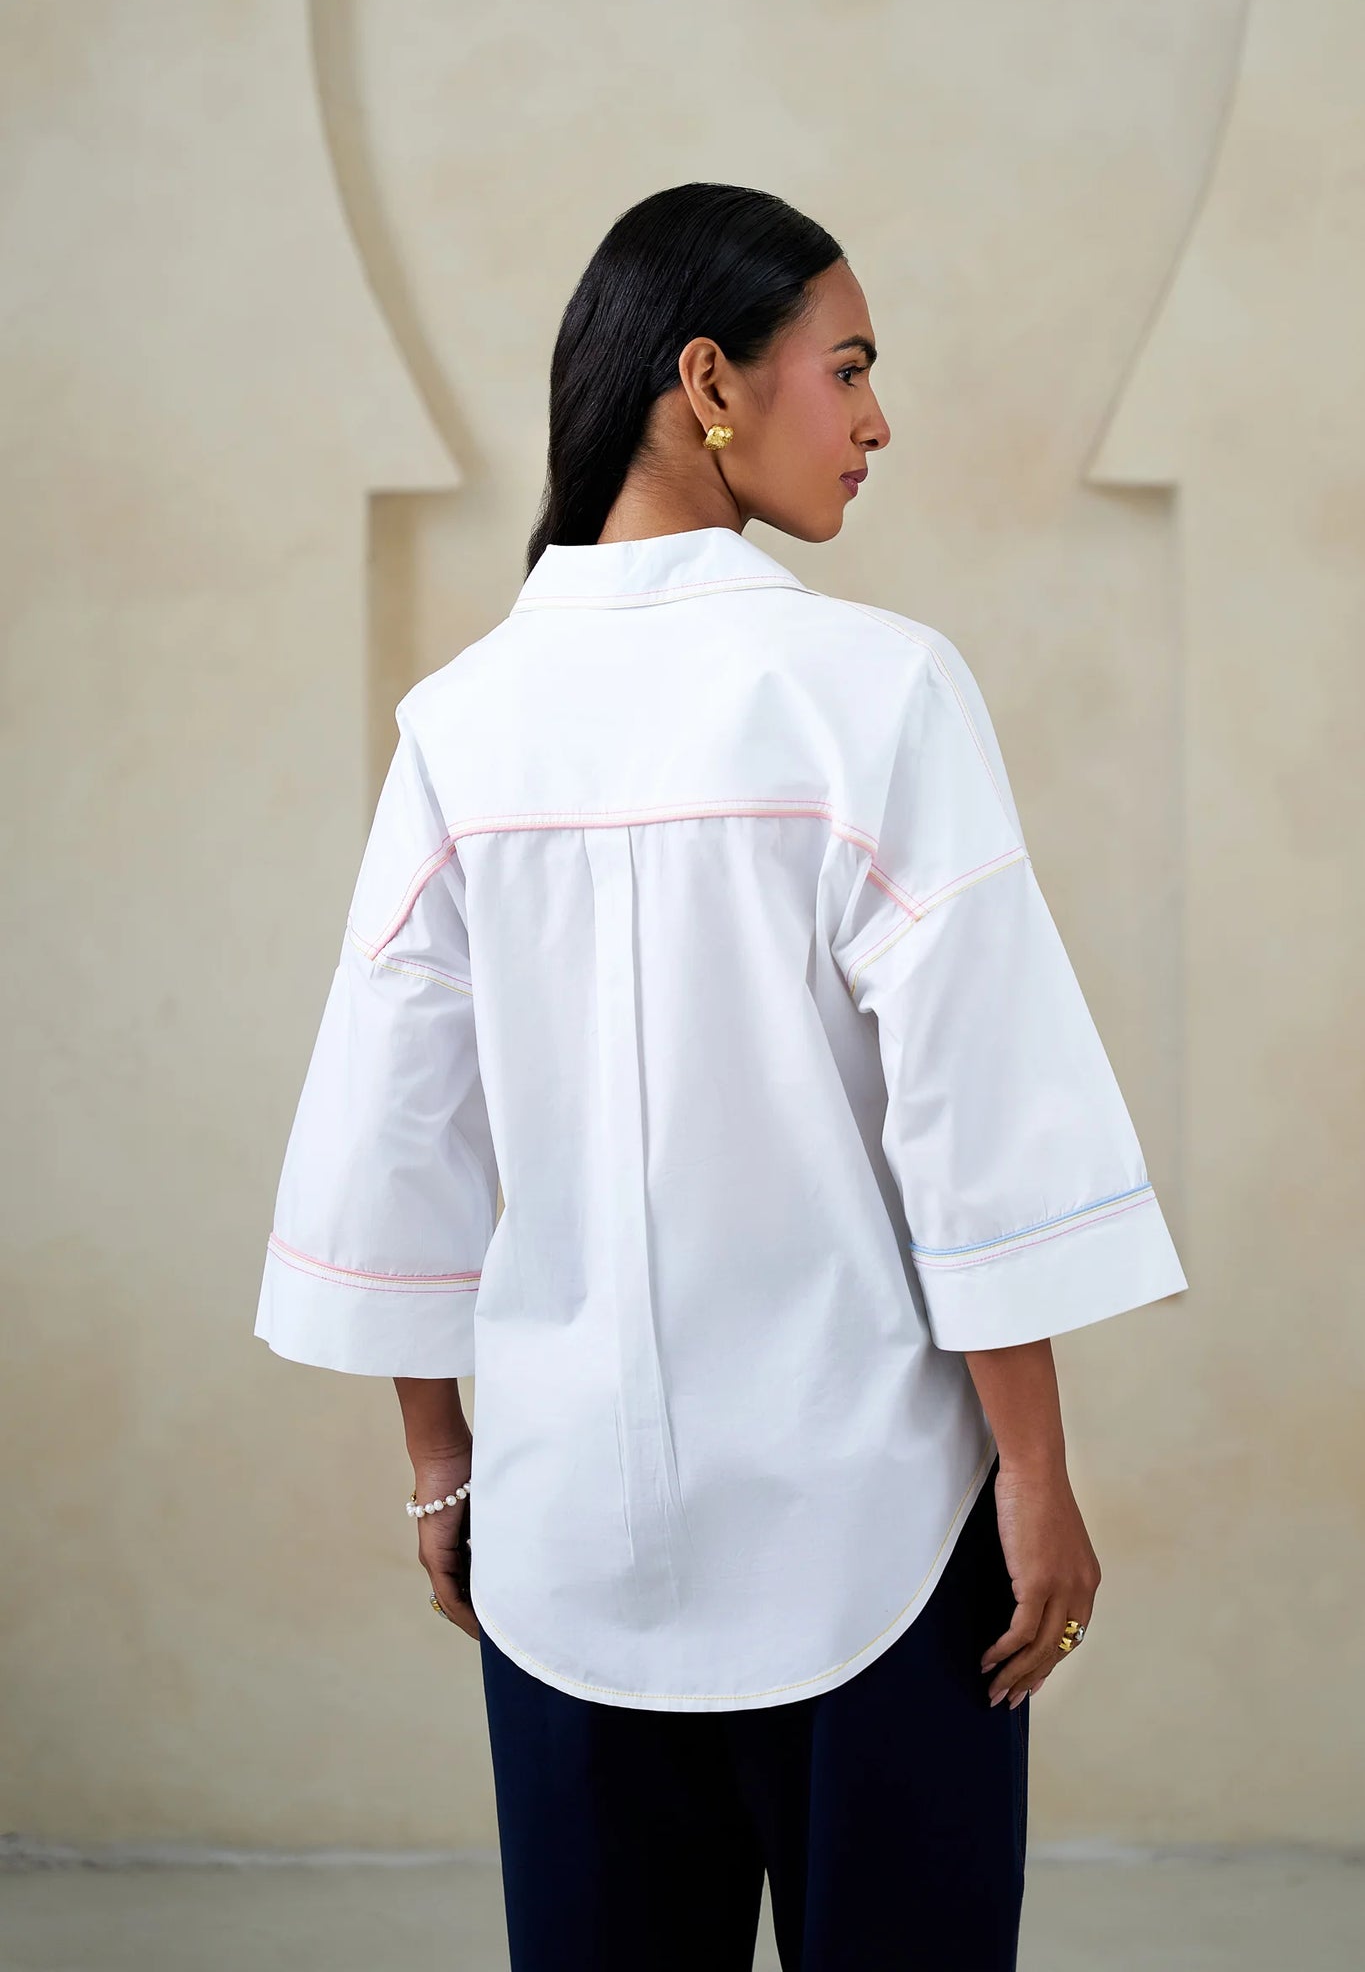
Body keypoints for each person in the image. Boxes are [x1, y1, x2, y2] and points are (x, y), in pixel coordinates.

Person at [253, 181, 1188, 1971]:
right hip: (882, 1530)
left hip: (562, 1547)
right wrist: (1036, 1472)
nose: (876, 419)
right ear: (708, 383)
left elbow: (392, 1132)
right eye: (847, 367)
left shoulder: (461, 724)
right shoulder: (876, 691)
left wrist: (442, 1466)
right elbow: (974, 1118)